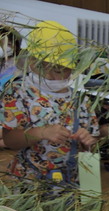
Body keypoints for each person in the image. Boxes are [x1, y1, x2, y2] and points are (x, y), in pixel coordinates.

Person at [2, 21, 99, 185]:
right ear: (32, 62)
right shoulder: (18, 93)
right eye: (52, 69)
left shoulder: (79, 99)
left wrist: (87, 142)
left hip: (68, 181)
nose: (57, 77)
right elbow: (10, 140)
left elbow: (93, 143)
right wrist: (40, 133)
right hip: (30, 181)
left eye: (65, 70)